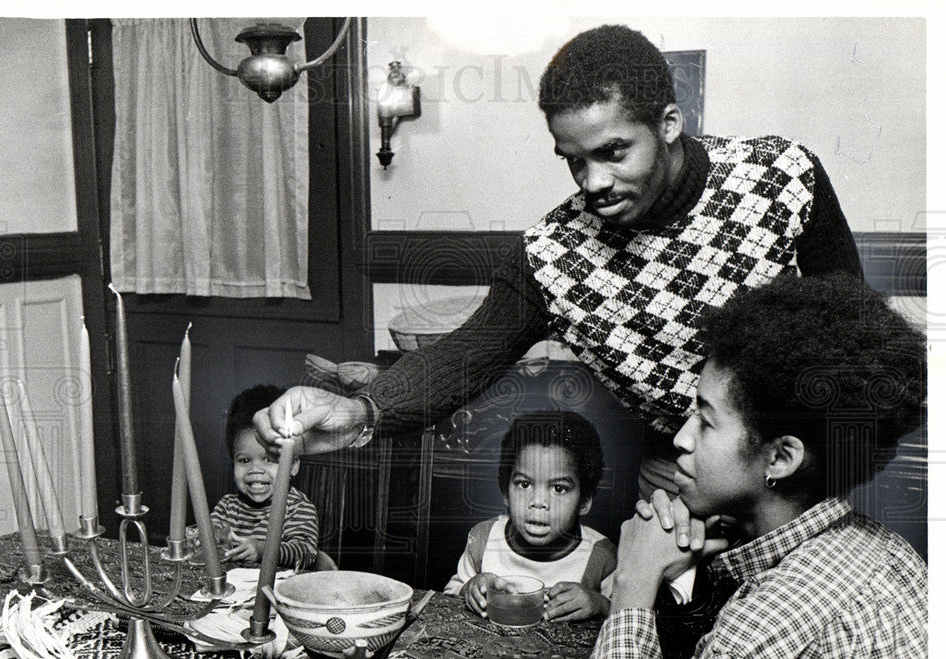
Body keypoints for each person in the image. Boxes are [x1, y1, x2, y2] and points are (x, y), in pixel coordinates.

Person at [255, 22, 861, 523]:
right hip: (675, 486)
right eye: (574, 161)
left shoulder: (782, 176)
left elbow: (852, 330)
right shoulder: (552, 254)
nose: (593, 182)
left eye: (614, 151)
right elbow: (466, 354)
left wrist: (824, 470)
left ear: (669, 124)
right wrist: (360, 412)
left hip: (799, 480)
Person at [568, 272, 927, 659]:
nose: (681, 438)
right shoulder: (880, 550)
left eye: (706, 419)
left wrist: (635, 577)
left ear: (780, 458)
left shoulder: (785, 614)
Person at [444, 410, 616, 621]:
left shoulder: (600, 557)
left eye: (558, 489)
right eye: (524, 484)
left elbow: (630, 619)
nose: (538, 502)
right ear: (505, 491)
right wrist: (468, 590)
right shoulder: (483, 539)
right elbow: (447, 601)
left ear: (585, 500)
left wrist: (599, 604)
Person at [213, 384, 319, 569]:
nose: (255, 469)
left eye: (269, 459)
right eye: (244, 460)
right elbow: (209, 537)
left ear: (293, 465)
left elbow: (305, 552)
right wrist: (211, 538)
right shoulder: (227, 506)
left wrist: (263, 550)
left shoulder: (298, 508)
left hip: (276, 592)